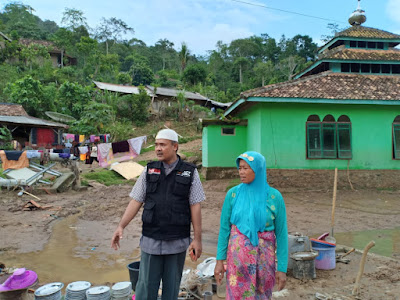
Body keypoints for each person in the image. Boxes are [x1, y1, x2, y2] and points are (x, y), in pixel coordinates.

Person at [111, 129, 205, 300]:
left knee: (171, 288)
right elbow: (136, 200)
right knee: (146, 287)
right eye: (156, 145)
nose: (158, 149)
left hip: (177, 241)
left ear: (175, 146)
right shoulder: (149, 170)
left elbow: (195, 206)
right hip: (151, 241)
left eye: (163, 144)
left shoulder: (190, 172)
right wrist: (121, 226)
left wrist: (197, 239)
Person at [214, 151, 288, 300]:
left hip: (264, 262)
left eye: (246, 168)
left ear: (258, 169)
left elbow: (281, 234)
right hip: (238, 262)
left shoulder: (274, 197)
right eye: (240, 168)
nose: (241, 172)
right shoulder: (233, 195)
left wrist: (282, 269)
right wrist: (219, 261)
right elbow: (224, 230)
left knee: (262, 295)